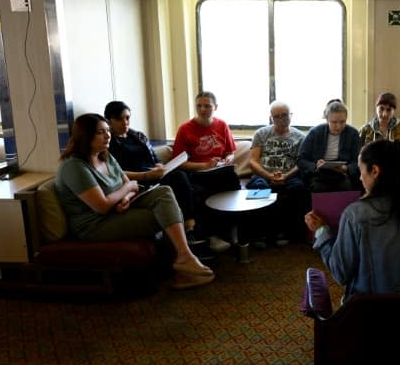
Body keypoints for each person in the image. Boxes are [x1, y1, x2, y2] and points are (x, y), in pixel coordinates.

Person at [54, 113, 214, 290]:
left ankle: (184, 257)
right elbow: (101, 205)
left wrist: (126, 198)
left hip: (115, 210)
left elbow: (132, 188)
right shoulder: (74, 166)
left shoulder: (105, 156)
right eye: (101, 132)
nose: (108, 136)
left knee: (164, 192)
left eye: (108, 131)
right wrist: (127, 190)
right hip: (94, 224)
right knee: (161, 216)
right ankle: (184, 263)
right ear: (85, 136)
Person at [304, 139, 400, 298]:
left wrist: (321, 231)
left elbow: (340, 273)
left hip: (370, 311)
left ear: (375, 171)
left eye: (361, 170)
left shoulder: (355, 214)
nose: (360, 178)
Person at [104, 101, 203, 246]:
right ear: (109, 121)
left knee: (185, 177)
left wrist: (159, 166)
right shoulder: (108, 143)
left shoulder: (138, 136)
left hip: (153, 175)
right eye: (119, 119)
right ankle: (189, 227)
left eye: (127, 118)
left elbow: (154, 159)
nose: (125, 122)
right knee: (179, 179)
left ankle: (194, 229)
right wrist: (147, 175)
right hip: (136, 181)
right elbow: (116, 172)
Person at [172, 91, 237, 253]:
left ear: (215, 107)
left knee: (232, 179)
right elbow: (179, 164)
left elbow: (230, 152)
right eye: (199, 106)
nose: (202, 109)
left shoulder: (222, 125)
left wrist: (229, 158)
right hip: (197, 172)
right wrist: (204, 166)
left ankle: (232, 230)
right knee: (203, 192)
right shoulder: (185, 129)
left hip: (220, 170)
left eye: (207, 106)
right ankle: (209, 234)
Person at [246, 100, 307, 244]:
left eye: (284, 115)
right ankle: (261, 233)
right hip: (264, 175)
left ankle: (285, 232)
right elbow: (253, 161)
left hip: (290, 176)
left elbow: (301, 163)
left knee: (299, 189)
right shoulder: (261, 133)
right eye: (276, 117)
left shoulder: (301, 137)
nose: (281, 120)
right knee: (258, 188)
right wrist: (268, 176)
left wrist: (286, 176)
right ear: (271, 118)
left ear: (291, 115)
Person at [297, 99, 361, 192]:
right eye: (334, 122)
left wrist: (347, 168)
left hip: (342, 174)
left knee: (346, 187)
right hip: (319, 174)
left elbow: (358, 160)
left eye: (342, 122)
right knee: (319, 188)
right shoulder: (315, 132)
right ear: (327, 120)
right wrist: (315, 166)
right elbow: (300, 159)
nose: (338, 126)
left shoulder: (353, 133)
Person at [358, 92, 400, 164]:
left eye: (389, 110)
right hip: (373, 167)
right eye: (381, 109)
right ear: (376, 108)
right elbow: (359, 154)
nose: (384, 114)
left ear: (394, 111)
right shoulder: (366, 129)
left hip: (396, 166)